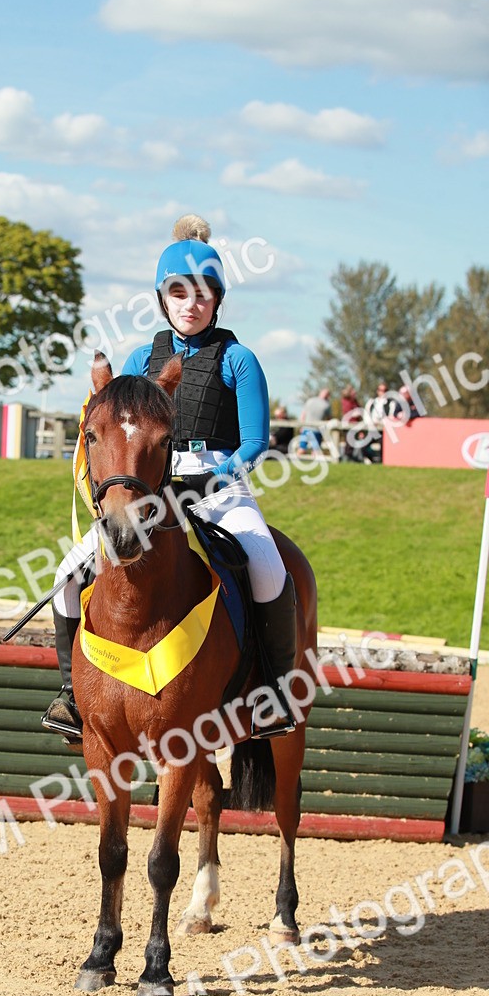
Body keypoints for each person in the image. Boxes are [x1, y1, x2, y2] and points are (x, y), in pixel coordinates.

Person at [42, 214, 297, 744]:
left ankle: (273, 693)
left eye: (202, 293)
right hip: (150, 485)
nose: (191, 303)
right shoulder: (142, 359)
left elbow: (256, 442)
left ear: (217, 299)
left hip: (220, 487)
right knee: (67, 575)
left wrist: (214, 479)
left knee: (269, 567)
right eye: (178, 292)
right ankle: (70, 694)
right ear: (163, 299)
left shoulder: (239, 359)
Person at [298, 388, 332, 453]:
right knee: (315, 451)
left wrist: (301, 426)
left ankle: (296, 458)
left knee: (303, 448)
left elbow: (303, 414)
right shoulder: (326, 405)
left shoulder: (310, 400)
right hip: (314, 430)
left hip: (308, 429)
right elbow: (329, 419)